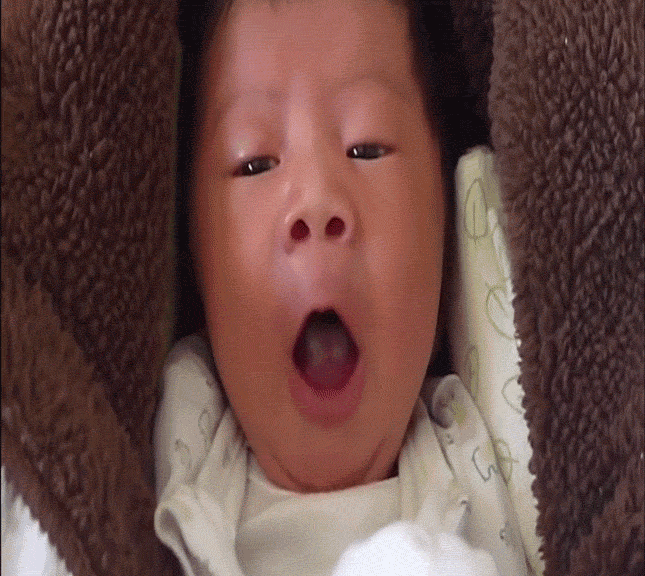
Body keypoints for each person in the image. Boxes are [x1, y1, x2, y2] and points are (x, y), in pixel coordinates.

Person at [154, 0, 532, 574]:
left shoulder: (504, 460)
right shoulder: (167, 442)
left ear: (445, 225)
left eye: (367, 148)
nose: (317, 200)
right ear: (195, 255)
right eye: (254, 163)